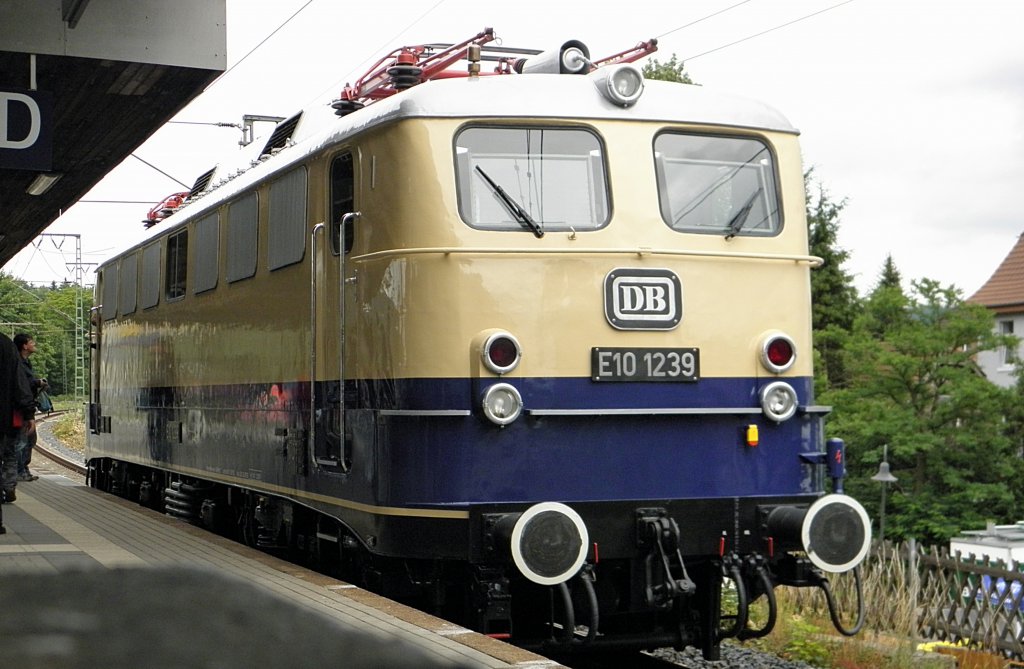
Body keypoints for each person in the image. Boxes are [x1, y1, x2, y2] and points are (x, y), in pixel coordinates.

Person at [1, 332, 35, 532]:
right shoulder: (5, 344)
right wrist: (29, 412)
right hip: (4, 419)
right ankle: (7, 486)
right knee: (9, 455)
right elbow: (19, 384)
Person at [13, 333, 46, 481]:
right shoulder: (19, 363)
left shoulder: (25, 362)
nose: (34, 344)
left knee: (28, 440)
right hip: (22, 408)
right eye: (31, 342)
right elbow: (23, 385)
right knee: (22, 441)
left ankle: (23, 469)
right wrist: (37, 383)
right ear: (24, 346)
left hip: (26, 406)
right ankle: (19, 471)